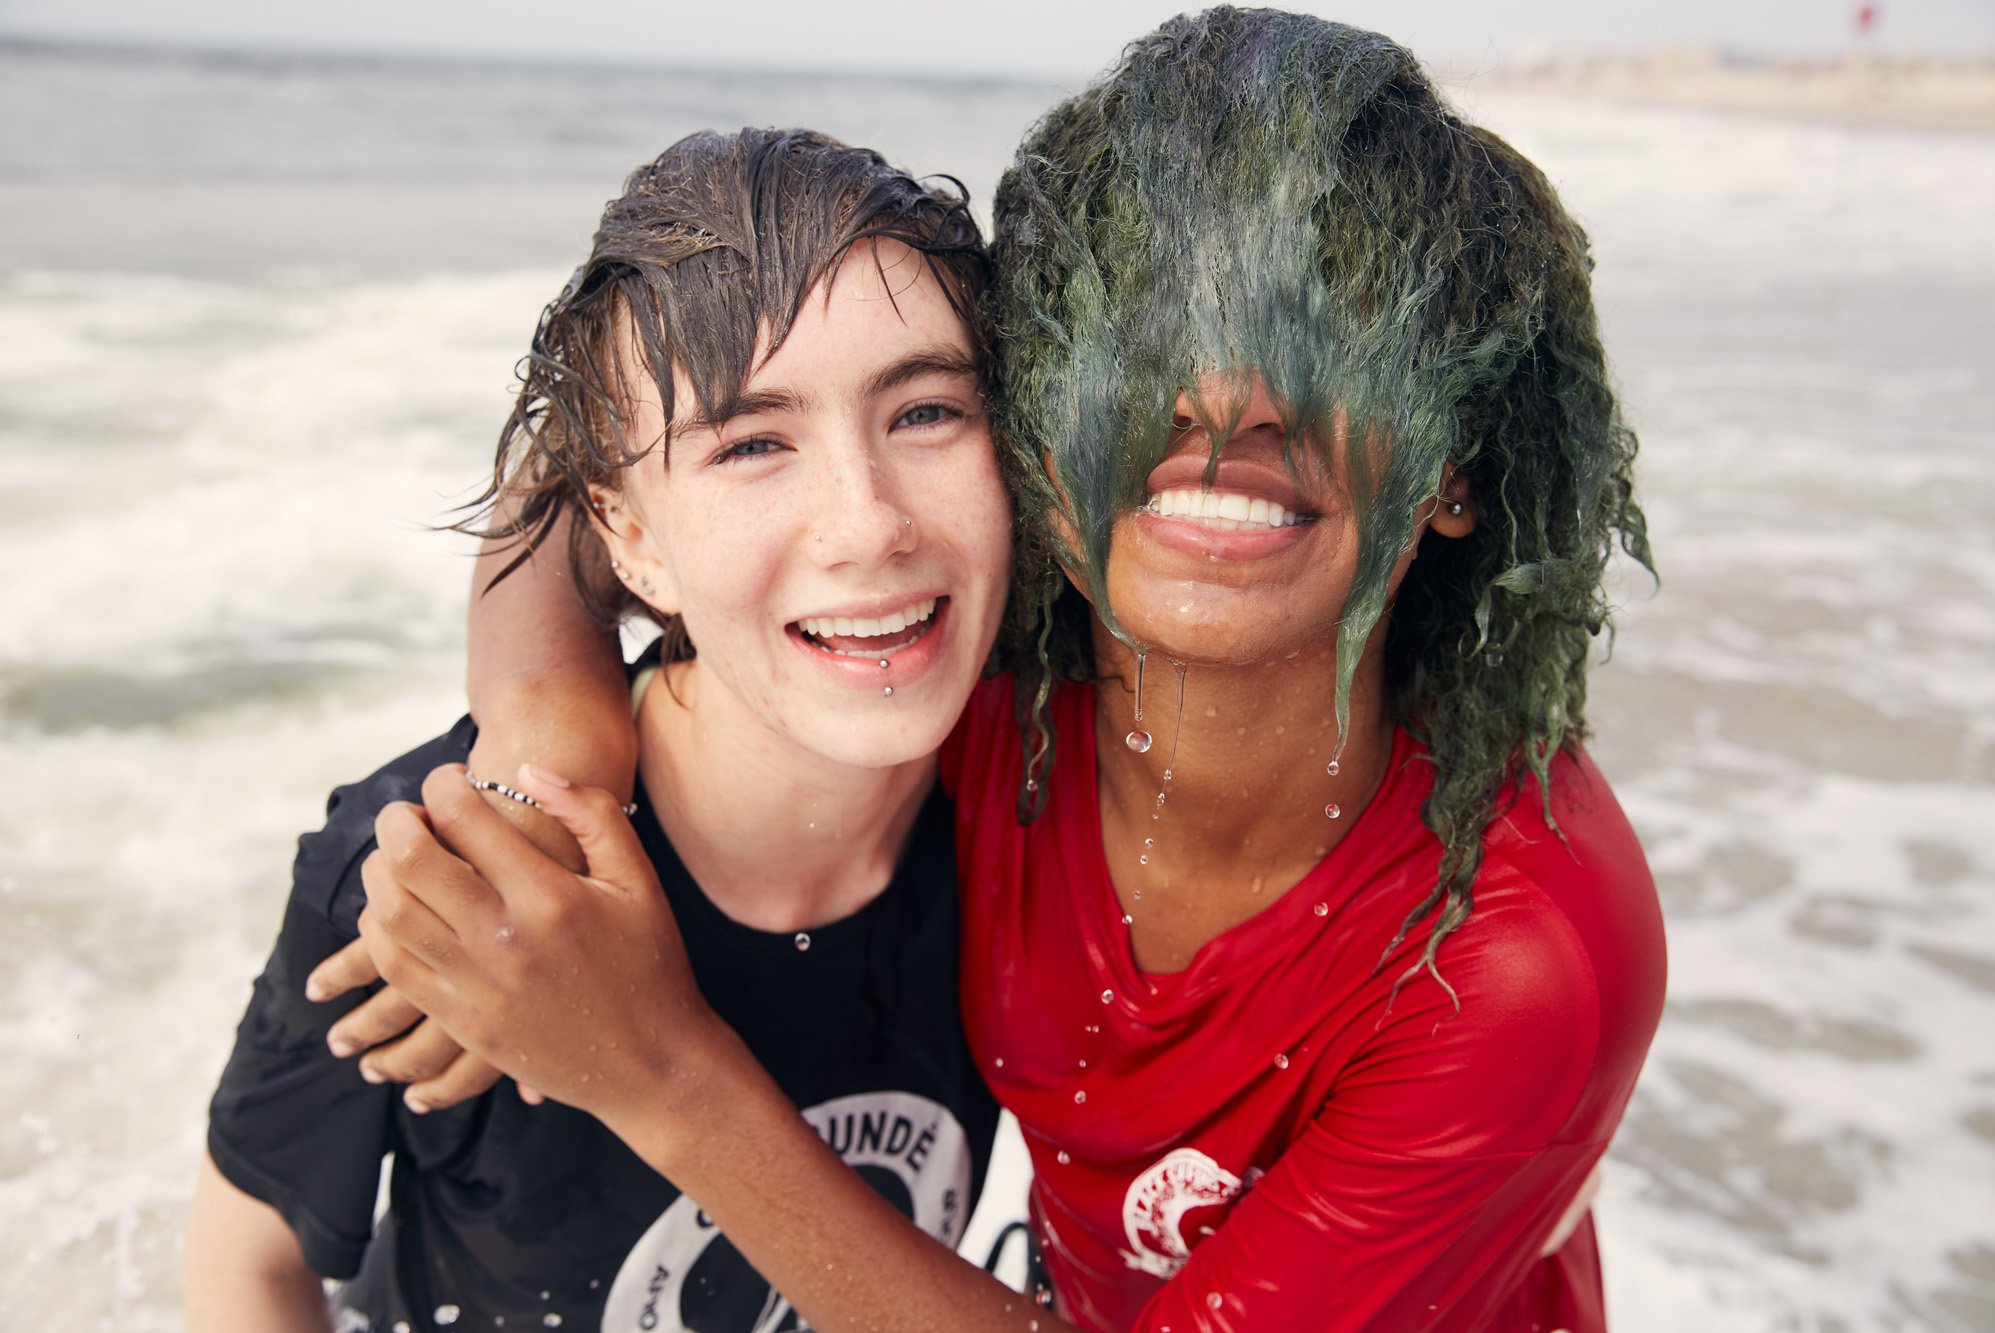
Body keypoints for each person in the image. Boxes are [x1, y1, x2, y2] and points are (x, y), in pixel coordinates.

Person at [351, 9, 1667, 1330]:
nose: (1225, 401)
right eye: (1148, 328)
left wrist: (656, 1072)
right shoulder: (998, 694)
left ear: (1455, 471)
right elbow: (576, 485)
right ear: (1038, 424)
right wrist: (548, 765)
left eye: (1336, 330)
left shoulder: (1512, 949)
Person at [182, 127, 1013, 1332]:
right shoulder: (441, 859)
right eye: (751, 443)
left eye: (927, 410)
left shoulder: (1045, 829)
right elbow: (249, 1270)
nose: (866, 524)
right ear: (626, 540)